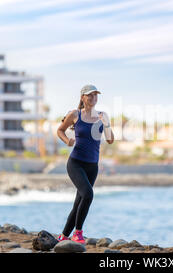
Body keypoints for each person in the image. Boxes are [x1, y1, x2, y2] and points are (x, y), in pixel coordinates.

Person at [56, 84, 114, 244]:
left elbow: (110, 139)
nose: (93, 98)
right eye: (90, 95)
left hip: (92, 166)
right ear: (83, 97)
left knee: (78, 203)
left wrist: (106, 124)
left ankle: (63, 236)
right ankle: (78, 232)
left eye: (96, 95)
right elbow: (60, 130)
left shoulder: (103, 115)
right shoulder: (75, 114)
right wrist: (68, 140)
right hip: (75, 163)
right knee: (88, 194)